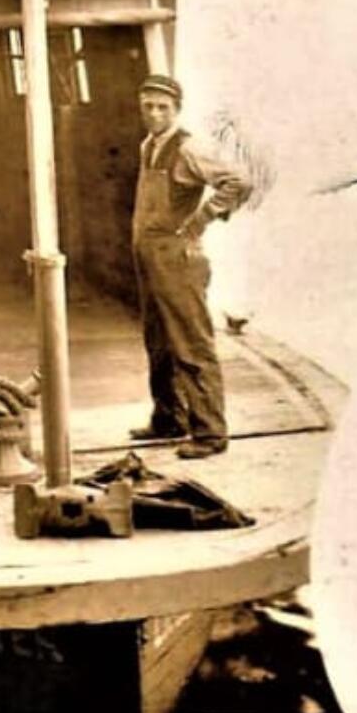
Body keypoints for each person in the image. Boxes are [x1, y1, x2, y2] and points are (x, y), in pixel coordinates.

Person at [130, 72, 252, 460]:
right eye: (148, 106)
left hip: (179, 259)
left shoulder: (188, 148)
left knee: (191, 344)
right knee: (159, 342)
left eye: (163, 108)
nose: (154, 113)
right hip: (150, 255)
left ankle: (210, 432)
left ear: (177, 111)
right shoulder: (148, 145)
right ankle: (169, 418)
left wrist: (201, 219)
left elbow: (238, 182)